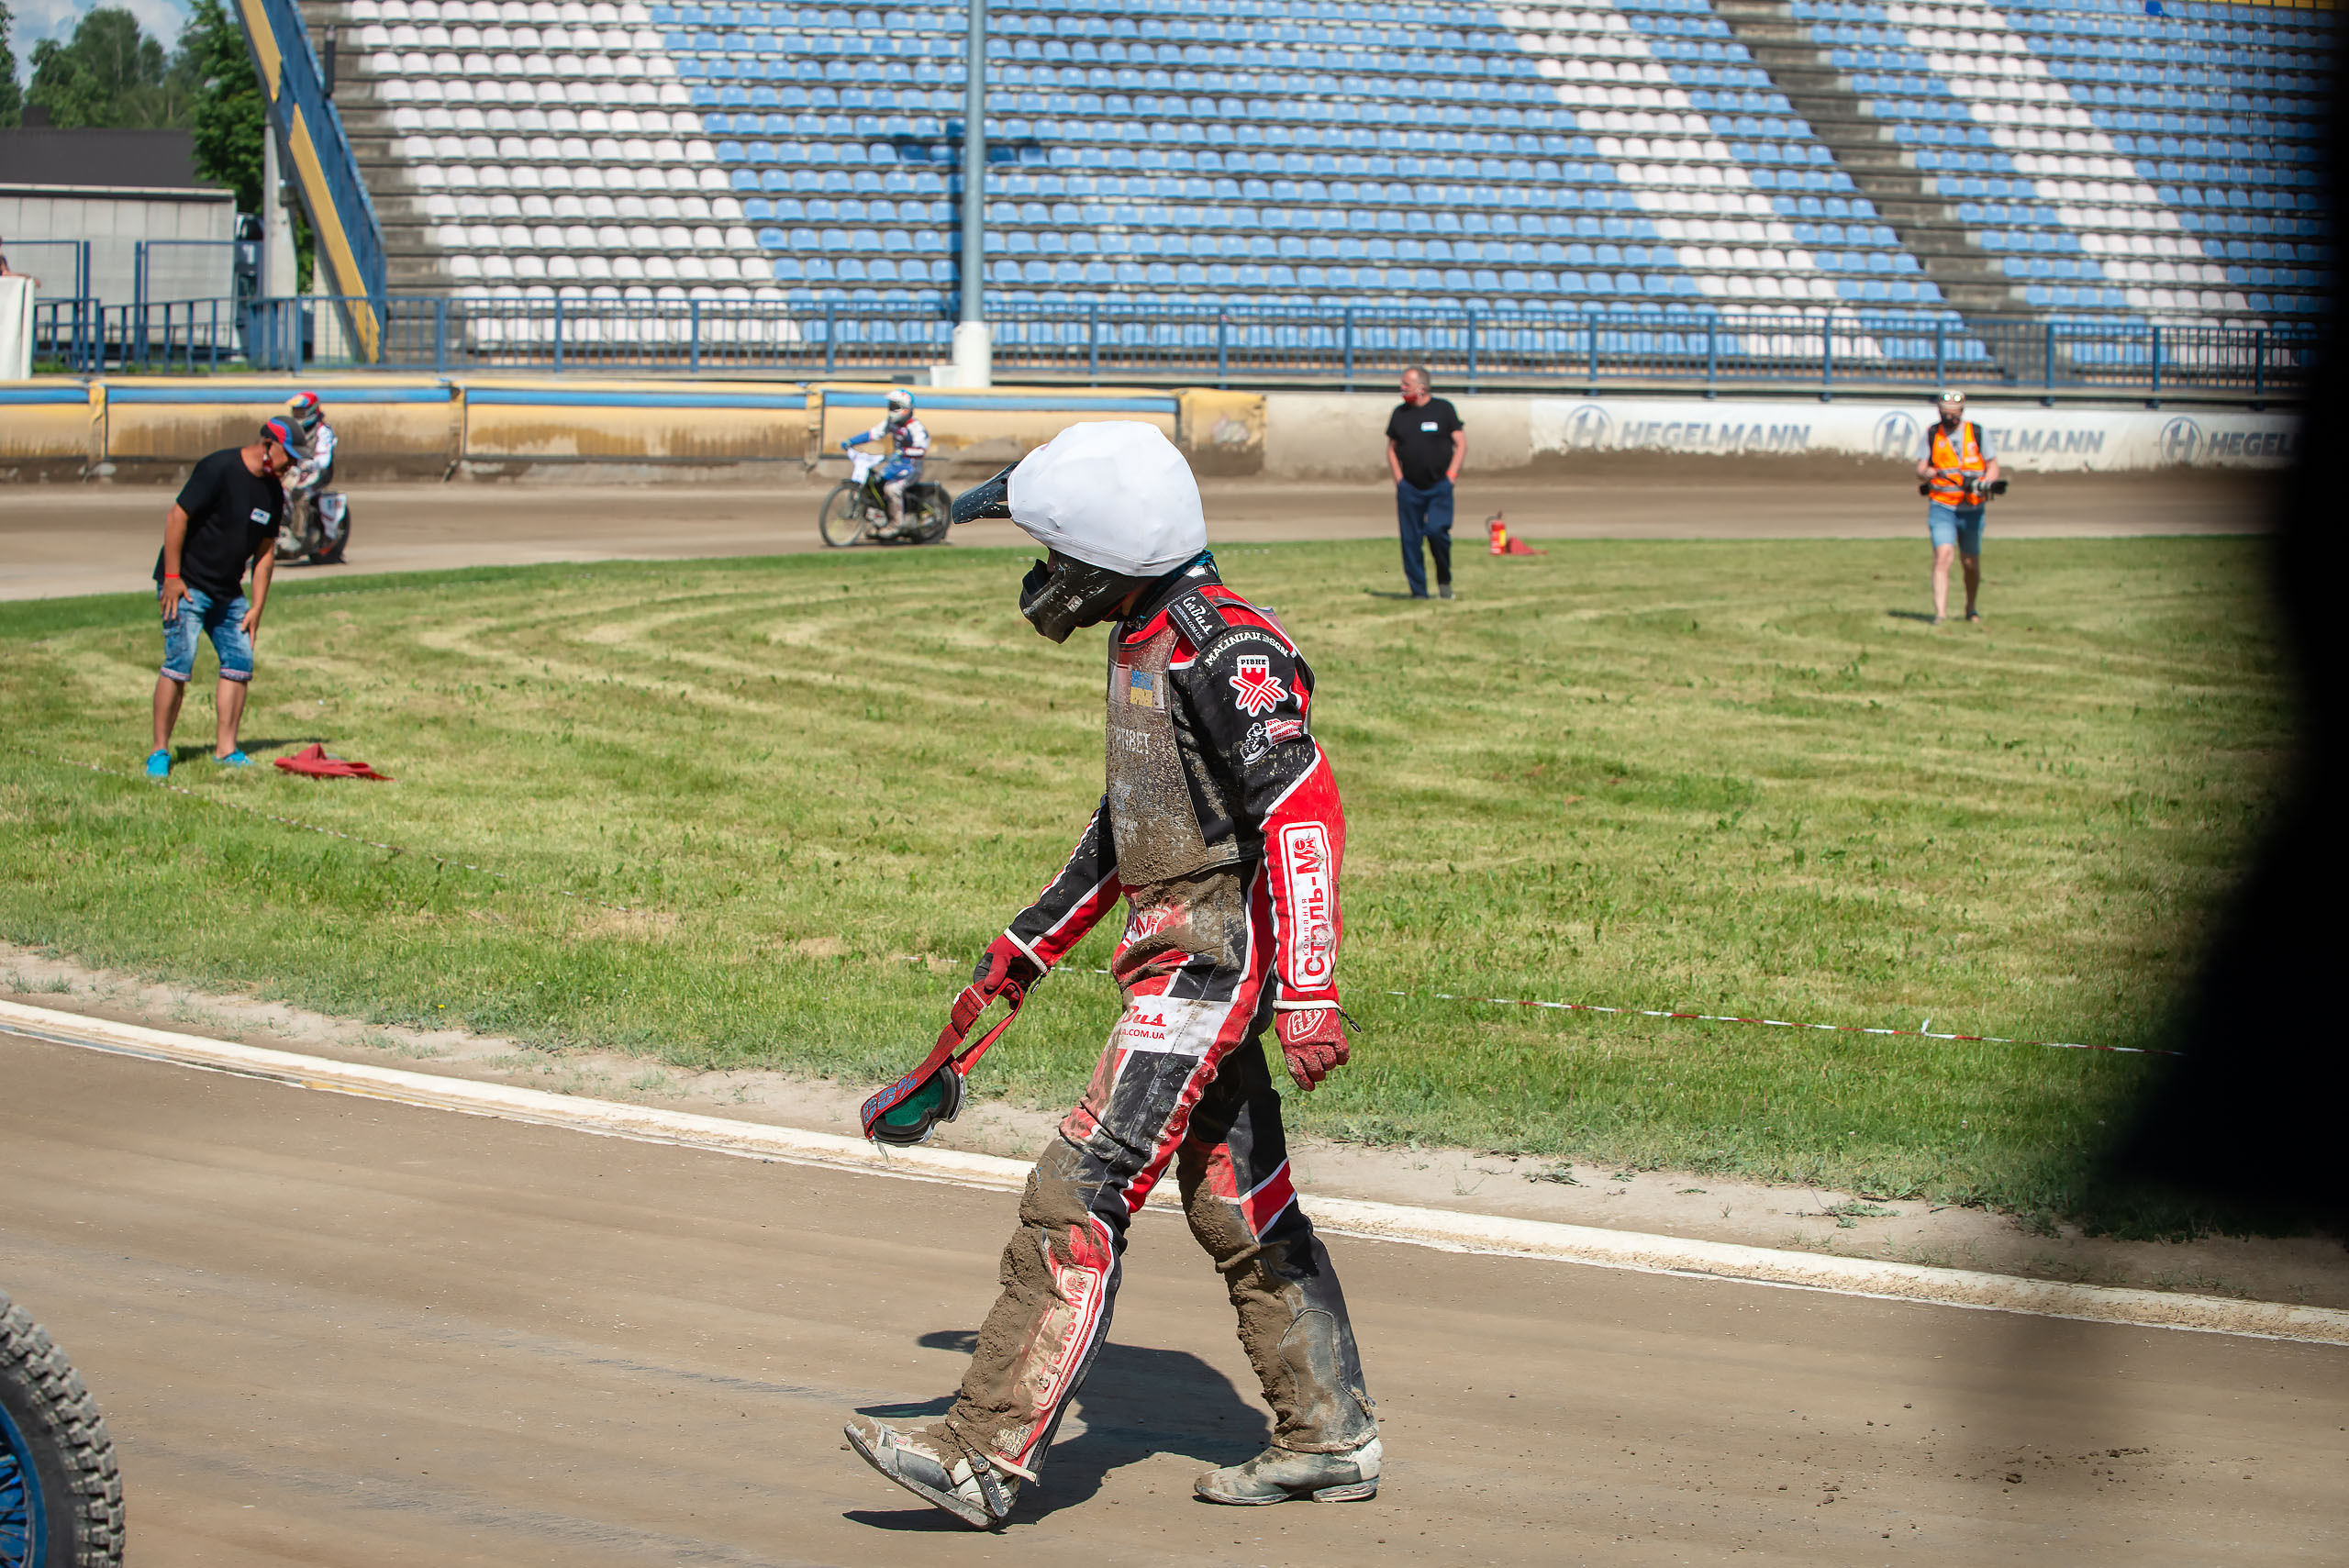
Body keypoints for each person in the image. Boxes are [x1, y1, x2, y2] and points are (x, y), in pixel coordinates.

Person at [843, 421, 1379, 1529]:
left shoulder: (1224, 648)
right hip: (1175, 960)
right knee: (1241, 1202)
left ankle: (985, 1451)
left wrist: (1311, 987)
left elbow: (1302, 810)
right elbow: (1132, 820)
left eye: (1048, 550)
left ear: (1107, 548)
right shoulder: (1148, 637)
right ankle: (1328, 1435)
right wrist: (1023, 949)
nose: (1040, 575)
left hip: (1209, 972)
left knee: (1077, 1187)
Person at [147, 417, 306, 777]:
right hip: (186, 583)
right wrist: (171, 578)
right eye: (290, 457)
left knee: (239, 660)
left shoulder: (273, 493)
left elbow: (265, 554)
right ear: (269, 444)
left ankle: (226, 749)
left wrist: (257, 606)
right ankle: (159, 752)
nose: (292, 465)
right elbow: (177, 518)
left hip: (227, 591)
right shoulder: (218, 468)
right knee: (179, 662)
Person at [1915, 389, 2000, 625]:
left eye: (1953, 414)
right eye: (1945, 414)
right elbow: (1920, 468)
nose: (1949, 418)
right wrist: (1928, 472)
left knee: (1970, 563)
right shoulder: (1933, 434)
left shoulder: (1977, 433)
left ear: (1961, 412)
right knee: (1943, 556)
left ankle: (1971, 608)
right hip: (1942, 505)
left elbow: (1992, 466)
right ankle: (1940, 614)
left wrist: (1985, 483)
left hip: (1972, 509)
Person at [1385, 365, 1465, 600]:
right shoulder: (1399, 414)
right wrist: (1399, 480)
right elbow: (1391, 449)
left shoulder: (1444, 409)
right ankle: (1418, 592)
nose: (1401, 389)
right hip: (1409, 488)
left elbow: (1461, 443)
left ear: (1421, 387)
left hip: (1439, 486)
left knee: (1437, 532)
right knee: (1411, 541)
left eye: (1405, 385)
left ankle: (1444, 580)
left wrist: (1451, 475)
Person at [841, 387, 930, 536]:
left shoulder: (916, 428)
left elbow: (921, 450)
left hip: (912, 468)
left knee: (891, 489)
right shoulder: (891, 423)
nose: (891, 410)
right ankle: (879, 519)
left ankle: (896, 524)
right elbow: (873, 434)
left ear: (905, 409)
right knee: (874, 483)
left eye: (894, 407)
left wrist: (904, 452)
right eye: (890, 406)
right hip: (895, 466)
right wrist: (851, 441)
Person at [284, 390, 349, 563]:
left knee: (300, 494)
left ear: (312, 410)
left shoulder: (323, 431)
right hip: (295, 470)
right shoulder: (289, 429)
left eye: (301, 411)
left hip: (318, 473)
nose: (297, 414)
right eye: (295, 410)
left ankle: (298, 536)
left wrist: (310, 463)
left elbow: (324, 458)